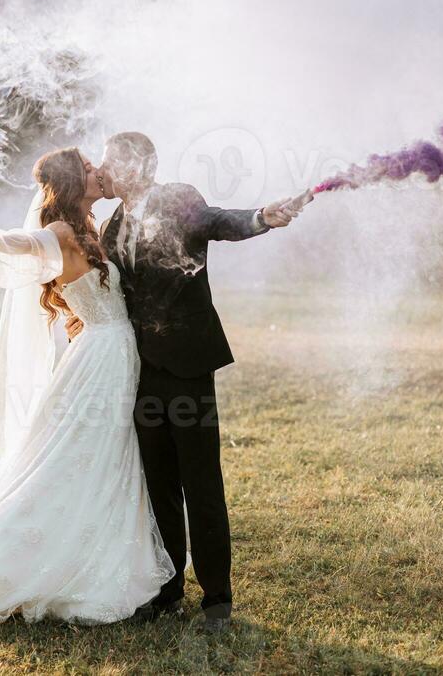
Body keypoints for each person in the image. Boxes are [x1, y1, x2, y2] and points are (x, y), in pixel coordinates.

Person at [0, 147, 175, 627]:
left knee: (107, 454)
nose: (95, 170)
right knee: (76, 453)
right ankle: (7, 563)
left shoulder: (94, 225)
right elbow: (25, 242)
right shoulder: (62, 231)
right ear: (70, 182)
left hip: (112, 352)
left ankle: (98, 547)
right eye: (87, 168)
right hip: (99, 359)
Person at [66, 132, 311, 633]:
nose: (104, 170)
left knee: (201, 485)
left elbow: (219, 221)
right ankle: (168, 590)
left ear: (134, 165)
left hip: (188, 366)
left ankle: (217, 600)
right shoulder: (112, 227)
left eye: (111, 161)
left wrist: (262, 217)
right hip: (140, 371)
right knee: (158, 487)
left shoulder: (178, 198)